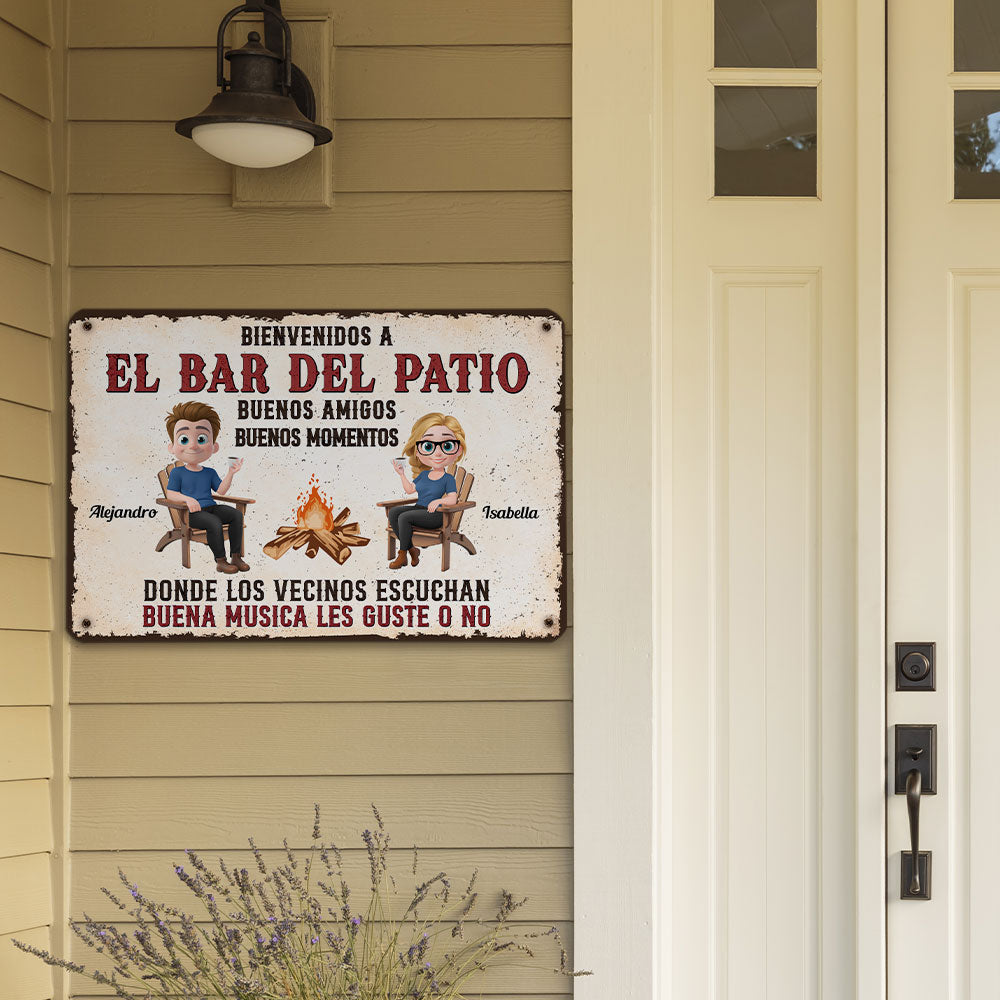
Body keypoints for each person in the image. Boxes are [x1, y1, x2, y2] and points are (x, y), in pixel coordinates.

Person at [163, 401, 248, 574]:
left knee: (236, 515)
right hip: (190, 514)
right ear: (172, 447)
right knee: (214, 523)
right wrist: (187, 499)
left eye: (201, 439)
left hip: (211, 508)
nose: (193, 445)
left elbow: (221, 491)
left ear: (214, 446)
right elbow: (171, 493)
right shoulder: (178, 473)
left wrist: (231, 473)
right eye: (184, 439)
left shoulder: (209, 472)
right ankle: (221, 560)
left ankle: (236, 556)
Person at [387, 412, 467, 569]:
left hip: (437, 515)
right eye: (428, 446)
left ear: (457, 450)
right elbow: (410, 490)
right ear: (417, 451)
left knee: (404, 518)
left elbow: (452, 499)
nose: (437, 453)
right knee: (394, 513)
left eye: (447, 446)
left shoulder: (447, 478)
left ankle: (403, 555)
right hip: (420, 511)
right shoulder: (424, 475)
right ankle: (412, 549)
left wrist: (439, 501)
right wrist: (402, 474)